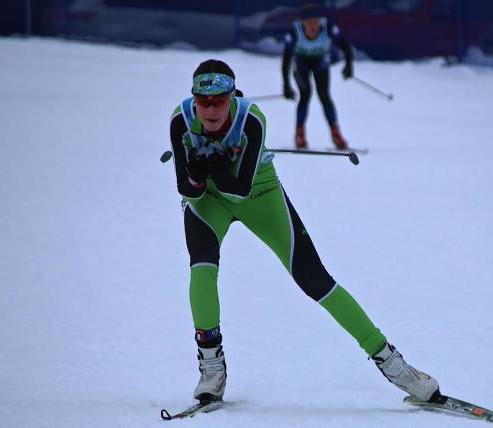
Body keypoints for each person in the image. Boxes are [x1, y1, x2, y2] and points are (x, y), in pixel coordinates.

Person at [169, 59, 439, 405]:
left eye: (218, 101)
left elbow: (240, 188)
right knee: (202, 271)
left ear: (231, 97)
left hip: (259, 195)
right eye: (203, 102)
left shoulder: (251, 120)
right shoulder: (180, 120)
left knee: (316, 281)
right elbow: (187, 191)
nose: (210, 110)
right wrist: (195, 173)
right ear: (194, 99)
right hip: (209, 201)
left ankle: (397, 367)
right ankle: (212, 370)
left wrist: (216, 170)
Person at [281, 3, 353, 149]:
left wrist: (349, 65)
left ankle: (335, 133)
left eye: (315, 21)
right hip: (301, 64)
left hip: (321, 63)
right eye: (308, 22)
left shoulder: (329, 28)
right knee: (306, 93)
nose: (312, 26)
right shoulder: (294, 32)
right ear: (302, 23)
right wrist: (286, 85)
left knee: (324, 95)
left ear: (320, 21)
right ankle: (300, 134)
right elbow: (286, 60)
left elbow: (345, 45)